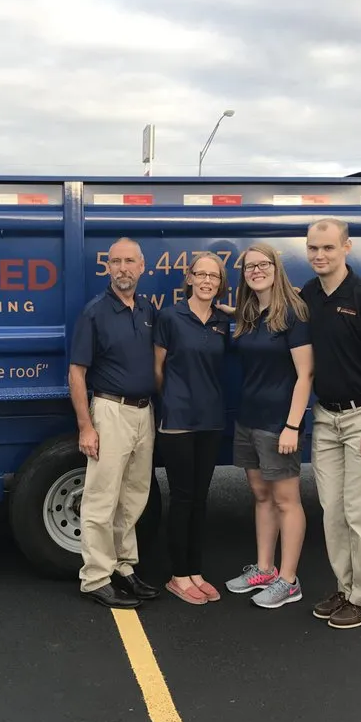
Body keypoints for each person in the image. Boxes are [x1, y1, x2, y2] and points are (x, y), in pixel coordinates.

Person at [299, 217, 361, 630]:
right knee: (333, 512)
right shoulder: (308, 295)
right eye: (313, 248)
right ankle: (345, 589)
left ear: (346, 248)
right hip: (327, 418)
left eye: (328, 248)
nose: (319, 255)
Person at [219, 243, 315, 610]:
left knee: (286, 501)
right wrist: (227, 310)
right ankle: (264, 568)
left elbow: (305, 374)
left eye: (263, 264)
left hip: (278, 423)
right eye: (249, 267)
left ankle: (288, 581)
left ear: (276, 268)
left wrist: (292, 425)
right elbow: (240, 320)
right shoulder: (250, 315)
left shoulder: (293, 312)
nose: (256, 270)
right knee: (261, 496)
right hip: (248, 419)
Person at [68, 236, 160, 609]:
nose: (123, 268)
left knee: (133, 496)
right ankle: (95, 578)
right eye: (116, 262)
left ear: (142, 267)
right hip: (110, 412)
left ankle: (124, 566)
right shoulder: (95, 312)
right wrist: (86, 426)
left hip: (143, 413)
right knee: (101, 499)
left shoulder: (145, 309)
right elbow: (76, 374)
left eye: (130, 262)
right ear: (107, 268)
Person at [153, 252, 232, 605]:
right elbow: (158, 369)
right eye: (200, 274)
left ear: (220, 283)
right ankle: (178, 575)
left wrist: (230, 310)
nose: (206, 281)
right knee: (183, 497)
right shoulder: (170, 316)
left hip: (211, 419)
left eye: (213, 277)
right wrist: (169, 402)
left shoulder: (221, 321)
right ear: (188, 278)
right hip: (179, 421)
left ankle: (195, 570)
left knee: (201, 498)